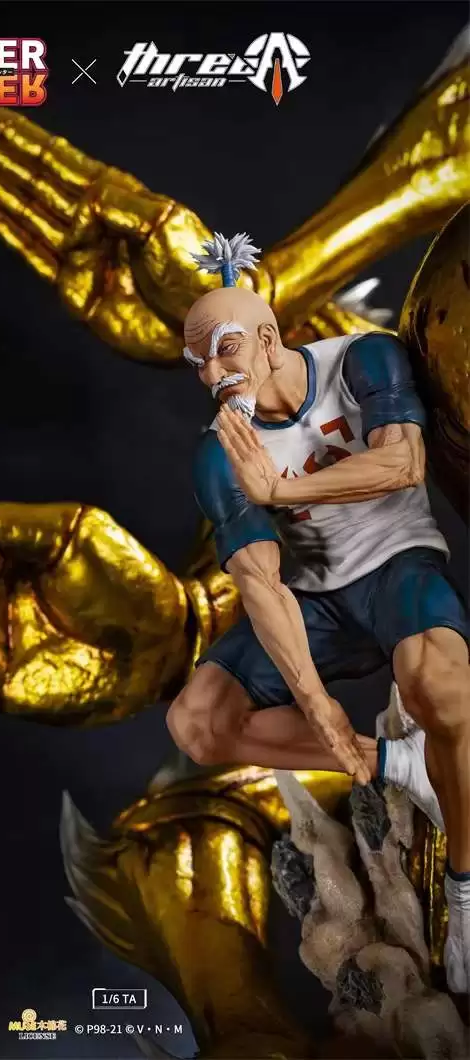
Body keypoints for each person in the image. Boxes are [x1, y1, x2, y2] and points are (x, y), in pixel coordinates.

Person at [166, 232, 470, 993]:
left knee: (445, 692)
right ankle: (398, 766)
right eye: (197, 361)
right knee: (198, 724)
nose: (213, 373)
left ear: (269, 339)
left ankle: (466, 894)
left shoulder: (361, 360)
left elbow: (403, 461)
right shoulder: (219, 452)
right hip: (314, 606)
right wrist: (318, 706)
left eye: (225, 349)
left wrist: (283, 490)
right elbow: (261, 582)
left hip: (395, 568)